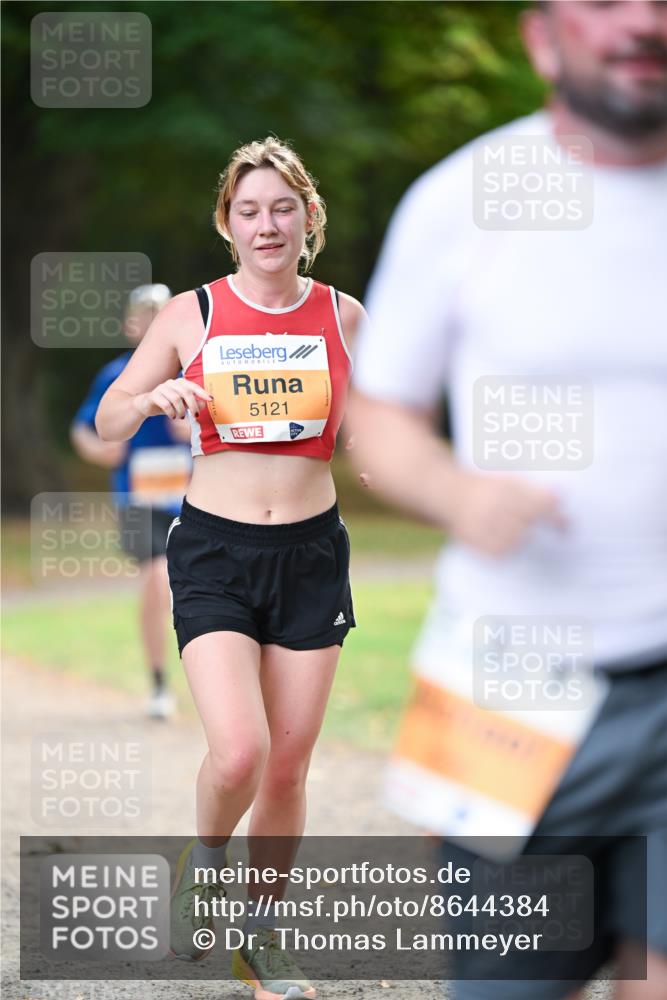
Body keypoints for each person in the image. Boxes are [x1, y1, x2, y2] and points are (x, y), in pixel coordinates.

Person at [349, 2, 667, 1000]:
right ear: (540, 37)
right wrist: (454, 490)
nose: (644, 23)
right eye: (607, 2)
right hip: (503, 682)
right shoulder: (464, 200)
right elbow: (377, 414)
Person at [95, 137, 364, 1000]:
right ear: (227, 223)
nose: (266, 224)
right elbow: (108, 418)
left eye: (282, 207)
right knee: (239, 752)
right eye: (248, 210)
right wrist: (149, 398)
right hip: (213, 548)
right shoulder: (191, 315)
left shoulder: (345, 317)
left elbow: (371, 434)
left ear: (307, 218)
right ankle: (204, 858)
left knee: (286, 769)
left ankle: (262, 938)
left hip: (313, 553)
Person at [71, 283, 191, 720]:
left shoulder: (192, 372)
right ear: (130, 326)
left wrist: (194, 430)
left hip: (192, 500)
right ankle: (160, 682)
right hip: (137, 499)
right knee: (157, 579)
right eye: (145, 317)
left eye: (161, 315)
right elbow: (83, 427)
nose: (153, 324)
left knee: (196, 589)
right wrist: (98, 448)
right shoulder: (116, 376)